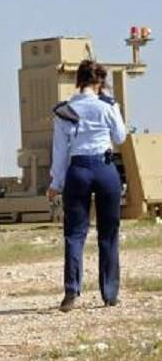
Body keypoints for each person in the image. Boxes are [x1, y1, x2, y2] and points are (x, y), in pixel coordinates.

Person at [47, 60, 127, 312]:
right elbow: (120, 137)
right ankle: (110, 294)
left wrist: (55, 183)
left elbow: (60, 152)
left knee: (74, 233)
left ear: (77, 81)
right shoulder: (108, 106)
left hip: (78, 169)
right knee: (108, 233)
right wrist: (112, 106)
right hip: (105, 168)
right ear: (99, 82)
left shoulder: (65, 110)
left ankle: (71, 292)